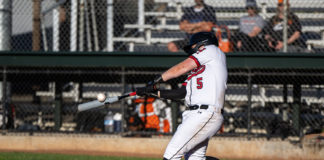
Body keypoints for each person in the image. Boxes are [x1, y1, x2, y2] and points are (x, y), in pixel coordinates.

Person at [136, 32, 227, 160]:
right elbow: (180, 93)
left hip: (205, 113)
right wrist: (152, 92)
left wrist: (156, 80)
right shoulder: (197, 72)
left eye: (193, 46)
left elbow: (182, 67)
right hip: (197, 115)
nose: (192, 49)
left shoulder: (212, 50)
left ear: (202, 43)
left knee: (171, 155)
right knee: (194, 159)